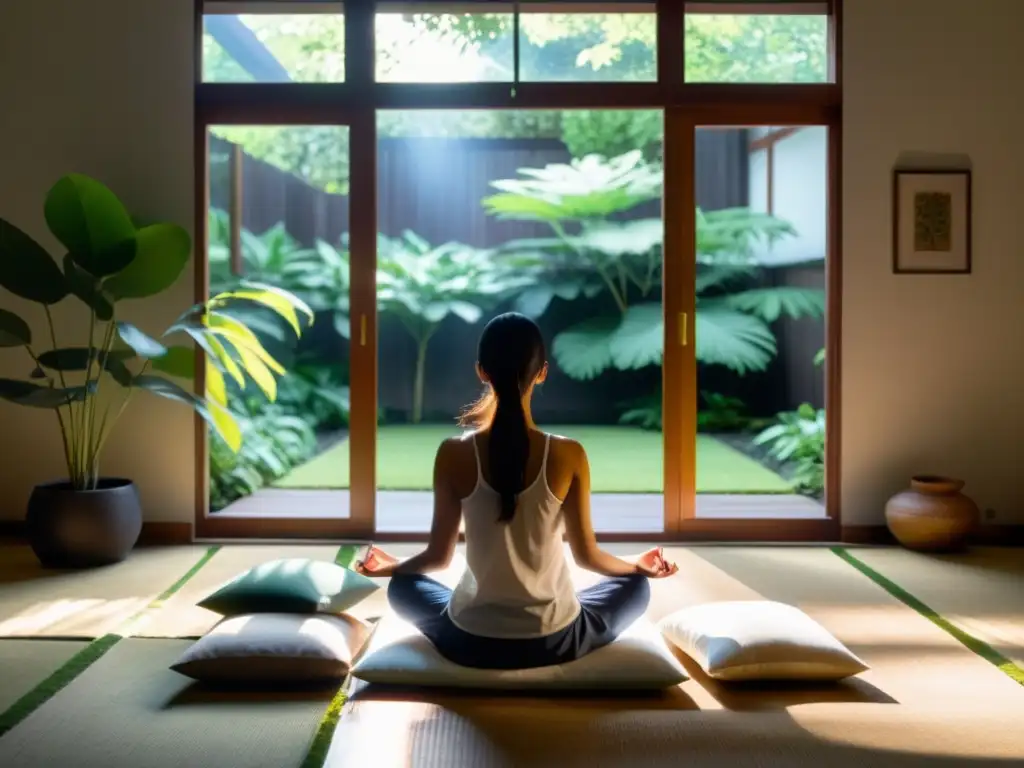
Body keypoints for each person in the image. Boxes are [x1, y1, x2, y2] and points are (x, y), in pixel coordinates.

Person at [356, 312, 678, 670]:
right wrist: (637, 565)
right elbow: (588, 557)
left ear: (481, 371)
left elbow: (437, 558)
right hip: (554, 640)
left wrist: (393, 567)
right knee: (636, 587)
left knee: (402, 586)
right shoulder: (569, 453)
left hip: (470, 641)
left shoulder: (453, 453)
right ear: (542, 372)